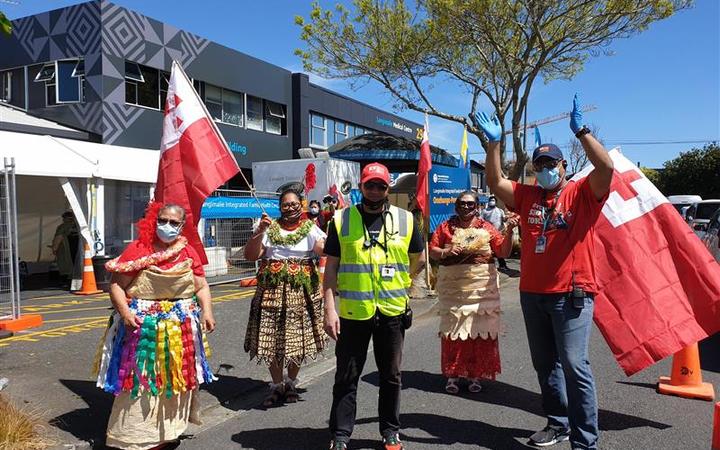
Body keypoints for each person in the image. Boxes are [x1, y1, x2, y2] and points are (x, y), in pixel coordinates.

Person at [476, 94, 613, 450]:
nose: (545, 168)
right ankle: (558, 422)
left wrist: (581, 131)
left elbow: (606, 170)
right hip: (532, 293)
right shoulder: (527, 196)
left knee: (573, 364)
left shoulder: (582, 193)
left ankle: (585, 441)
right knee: (545, 365)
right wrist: (493, 145)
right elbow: (494, 181)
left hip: (572, 294)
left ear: (564, 165)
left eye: (551, 163)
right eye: (540, 164)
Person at [93, 202, 216, 450]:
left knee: (174, 380)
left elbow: (201, 286)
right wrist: (125, 313)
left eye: (173, 222)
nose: (167, 226)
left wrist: (207, 312)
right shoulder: (139, 249)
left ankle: (168, 431)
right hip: (143, 328)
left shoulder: (187, 251)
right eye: (163, 220)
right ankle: (137, 437)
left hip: (180, 329)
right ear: (154, 220)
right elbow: (117, 285)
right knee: (143, 379)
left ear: (181, 226)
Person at [323, 162, 425, 450]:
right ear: (361, 187)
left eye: (381, 185)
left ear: (388, 188)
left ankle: (390, 430)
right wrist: (329, 309)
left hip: (392, 311)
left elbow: (417, 257)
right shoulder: (341, 220)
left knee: (391, 376)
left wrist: (404, 283)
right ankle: (341, 434)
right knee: (346, 376)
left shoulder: (406, 220)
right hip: (354, 313)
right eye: (370, 185)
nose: (375, 190)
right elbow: (331, 268)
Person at [243, 188, 327, 407]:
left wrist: (337, 236)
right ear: (280, 207)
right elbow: (251, 255)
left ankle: (290, 383)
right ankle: (277, 384)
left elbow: (321, 249)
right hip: (271, 289)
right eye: (285, 204)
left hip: (301, 291)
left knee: (295, 339)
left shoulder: (311, 228)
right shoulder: (269, 228)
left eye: (293, 204)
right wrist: (259, 231)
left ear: (302, 204)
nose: (289, 207)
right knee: (271, 338)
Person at [428, 191, 517, 394]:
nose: (466, 207)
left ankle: (475, 374)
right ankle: (453, 374)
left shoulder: (487, 228)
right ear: (456, 206)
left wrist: (510, 231)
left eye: (470, 204)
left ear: (477, 206)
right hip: (454, 291)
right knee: (454, 333)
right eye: (462, 204)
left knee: (479, 332)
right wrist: (446, 252)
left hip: (481, 291)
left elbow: (502, 252)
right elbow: (433, 249)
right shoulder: (445, 227)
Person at [51, 211, 79, 287]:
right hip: (78, 248)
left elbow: (58, 238)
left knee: (66, 264)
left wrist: (54, 248)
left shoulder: (62, 227)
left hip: (66, 248)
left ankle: (66, 282)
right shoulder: (79, 226)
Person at [480, 195, 509, 270]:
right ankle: (489, 266)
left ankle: (502, 265)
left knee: (499, 250)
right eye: (491, 200)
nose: (492, 202)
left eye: (493, 200)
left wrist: (507, 218)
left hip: (499, 234)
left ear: (496, 202)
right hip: (488, 235)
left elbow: (504, 220)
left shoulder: (500, 210)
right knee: (489, 251)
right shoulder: (484, 211)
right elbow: (480, 221)